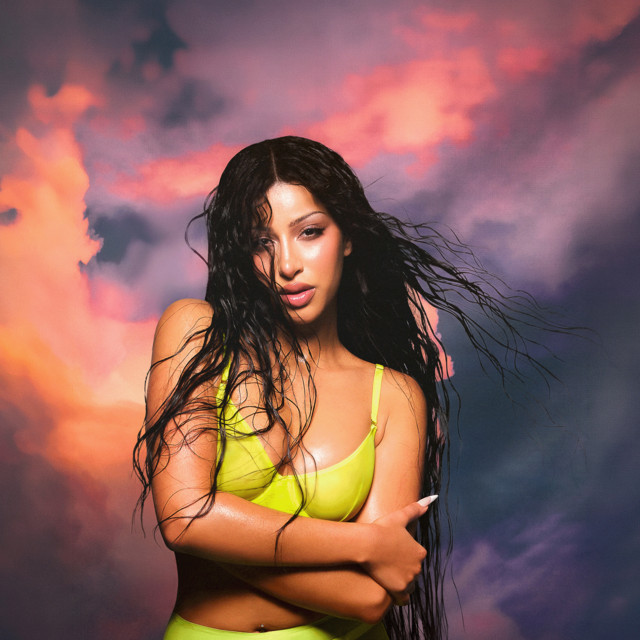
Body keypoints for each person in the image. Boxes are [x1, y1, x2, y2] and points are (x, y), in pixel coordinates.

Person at [134, 136, 545, 639]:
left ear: (346, 236)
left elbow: (371, 596)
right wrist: (364, 544)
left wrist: (216, 532)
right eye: (262, 241)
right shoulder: (198, 333)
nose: (287, 265)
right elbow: (182, 519)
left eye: (309, 232)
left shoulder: (393, 397)